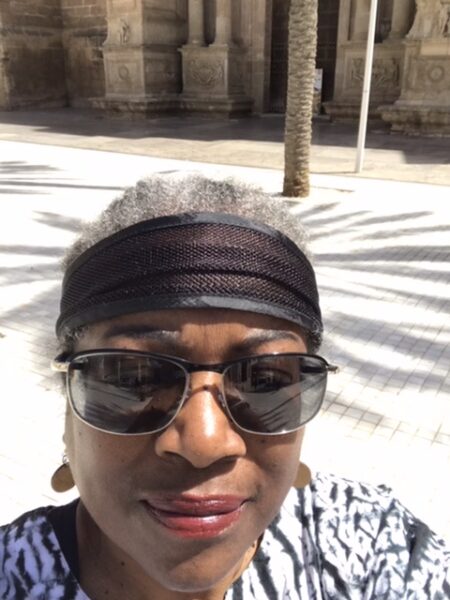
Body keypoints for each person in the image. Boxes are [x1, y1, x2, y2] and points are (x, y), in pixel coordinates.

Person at [0, 175, 448, 600]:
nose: (204, 443)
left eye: (265, 382)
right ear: (67, 402)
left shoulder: (372, 544)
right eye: (133, 378)